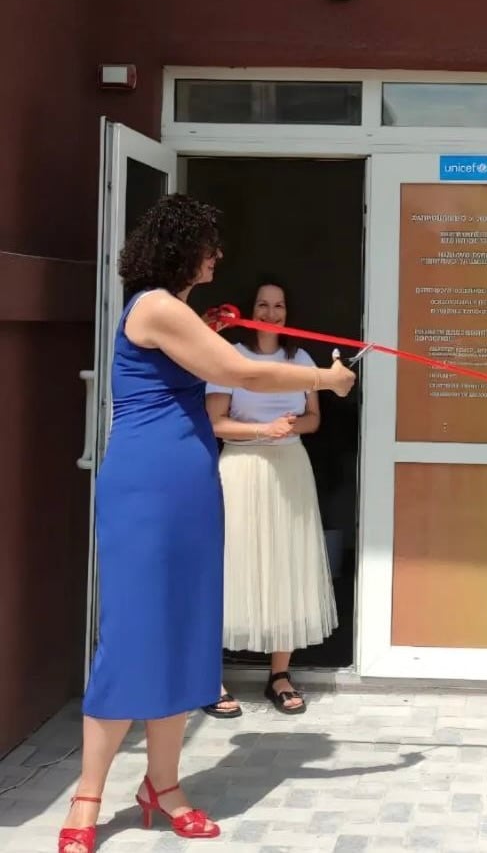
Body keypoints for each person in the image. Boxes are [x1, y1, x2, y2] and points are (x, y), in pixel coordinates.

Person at [59, 194, 356, 853]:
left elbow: (193, 361)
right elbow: (237, 371)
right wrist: (326, 381)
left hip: (191, 484)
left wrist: (208, 325)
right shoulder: (156, 308)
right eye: (209, 246)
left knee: (185, 633)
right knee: (134, 635)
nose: (217, 256)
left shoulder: (175, 313)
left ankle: (163, 787)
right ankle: (87, 798)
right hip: (149, 486)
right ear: (181, 250)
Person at [201, 278, 338, 719]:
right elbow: (215, 423)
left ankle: (279, 675)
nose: (271, 313)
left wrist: (288, 428)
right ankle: (210, 677)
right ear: (250, 308)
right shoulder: (230, 357)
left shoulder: (301, 359)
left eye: (279, 305)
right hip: (241, 469)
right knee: (231, 566)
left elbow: (314, 418)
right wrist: (264, 429)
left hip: (289, 468)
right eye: (263, 304)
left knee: (286, 565)